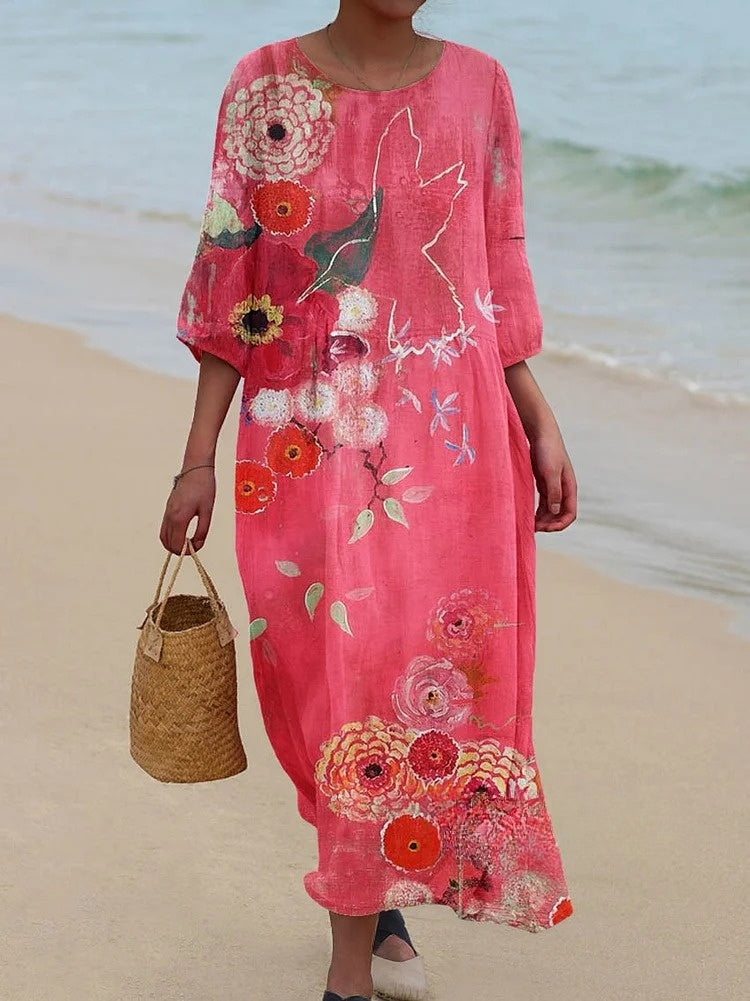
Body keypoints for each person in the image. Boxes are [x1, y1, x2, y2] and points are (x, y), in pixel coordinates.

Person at [160, 2, 578, 999]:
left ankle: (349, 965)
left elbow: (495, 271)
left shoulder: (481, 87)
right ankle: (372, 893)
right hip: (305, 435)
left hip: (454, 435)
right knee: (335, 683)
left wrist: (539, 418)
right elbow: (232, 279)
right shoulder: (263, 81)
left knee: (413, 677)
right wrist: (197, 456)